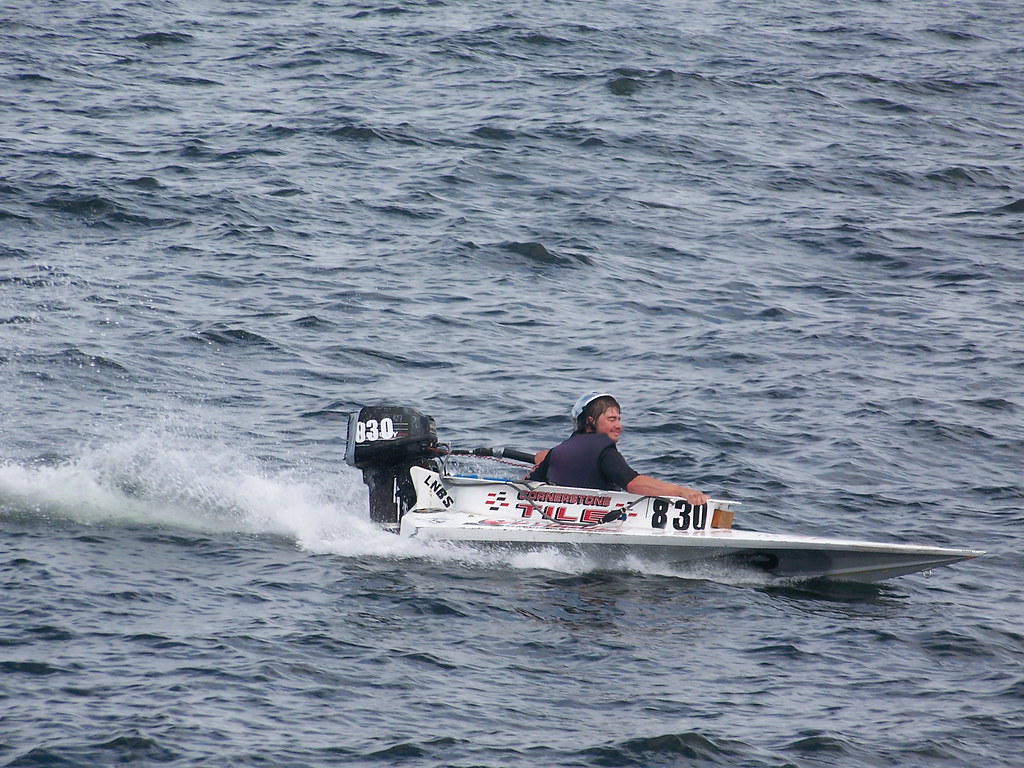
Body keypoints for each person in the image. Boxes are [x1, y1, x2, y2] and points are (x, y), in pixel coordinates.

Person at [525, 392, 708, 505]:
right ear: (590, 420)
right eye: (611, 419)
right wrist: (683, 492)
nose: (618, 425)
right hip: (596, 520)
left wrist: (546, 462)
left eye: (619, 419)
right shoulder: (604, 451)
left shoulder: (558, 451)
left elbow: (528, 484)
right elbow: (634, 483)